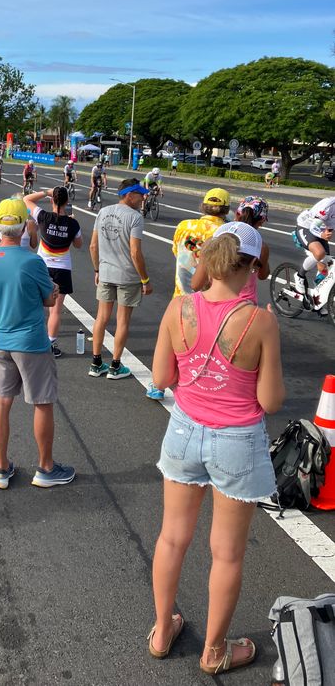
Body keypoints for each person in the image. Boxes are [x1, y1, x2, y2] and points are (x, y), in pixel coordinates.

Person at [148, 224, 284, 675]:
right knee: (225, 553)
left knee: (172, 537)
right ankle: (214, 650)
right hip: (236, 442)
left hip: (185, 431)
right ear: (251, 267)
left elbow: (162, 379)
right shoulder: (260, 321)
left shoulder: (178, 307)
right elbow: (270, 401)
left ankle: (163, 630)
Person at [0, 198, 75, 490]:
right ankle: (46, 468)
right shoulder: (32, 261)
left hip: (0, 339)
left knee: (1, 401)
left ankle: (1, 468)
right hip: (31, 341)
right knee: (42, 402)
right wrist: (54, 290)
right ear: (24, 225)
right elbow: (48, 299)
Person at [88, 178, 152, 378]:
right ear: (129, 195)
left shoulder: (103, 212)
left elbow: (93, 246)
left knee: (102, 318)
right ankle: (115, 366)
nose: (143, 197)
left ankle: (96, 363)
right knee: (122, 320)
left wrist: (97, 270)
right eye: (140, 194)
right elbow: (135, 252)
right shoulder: (135, 217)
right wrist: (145, 280)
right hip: (128, 276)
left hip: (106, 273)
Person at [24, 187, 82, 358]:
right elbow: (79, 245)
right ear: (66, 202)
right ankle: (50, 343)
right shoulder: (73, 224)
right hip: (62, 269)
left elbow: (26, 200)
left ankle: (29, 340)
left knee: (34, 305)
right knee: (55, 311)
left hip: (41, 267)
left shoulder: (43, 216)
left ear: (52, 200)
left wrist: (45, 192)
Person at [191, 196, 270, 302]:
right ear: (262, 220)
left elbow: (196, 285)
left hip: (215, 302)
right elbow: (263, 275)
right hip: (244, 305)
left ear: (237, 214)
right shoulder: (261, 247)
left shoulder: (214, 240)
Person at [171, 188, 230, 297]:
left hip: (180, 297)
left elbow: (176, 252)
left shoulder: (184, 226)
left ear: (203, 206)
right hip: (207, 300)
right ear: (226, 210)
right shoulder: (225, 232)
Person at [294, 196, 335, 294]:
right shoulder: (328, 206)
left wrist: (326, 233)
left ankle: (316, 301)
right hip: (306, 227)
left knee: (325, 269)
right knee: (319, 253)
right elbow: (313, 227)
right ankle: (300, 276)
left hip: (321, 230)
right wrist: (322, 235)